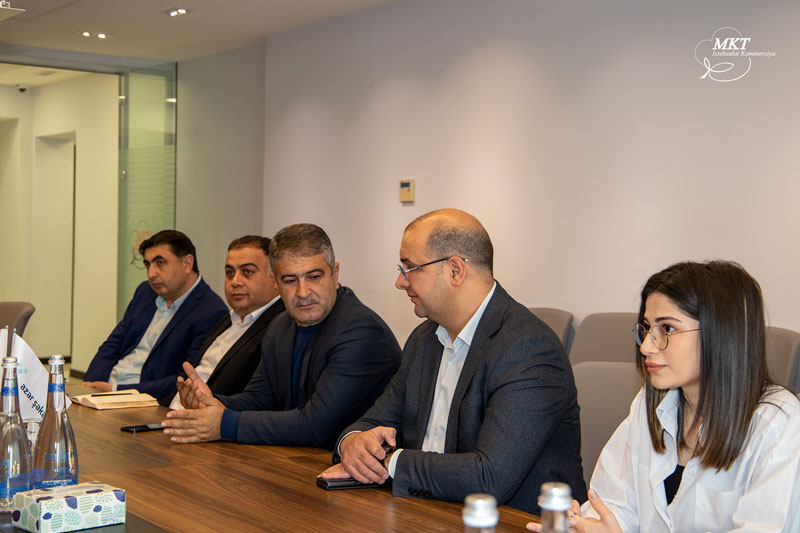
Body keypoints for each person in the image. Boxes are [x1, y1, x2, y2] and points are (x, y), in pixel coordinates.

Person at [319, 208, 586, 514]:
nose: (400, 282)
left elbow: (489, 478)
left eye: (410, 268)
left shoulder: (529, 348)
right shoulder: (424, 340)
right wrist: (352, 443)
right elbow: (372, 423)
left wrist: (391, 461)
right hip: (428, 511)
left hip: (511, 522)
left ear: (455, 270)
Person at [528, 261, 800, 532]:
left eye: (667, 329)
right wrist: (587, 525)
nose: (646, 347)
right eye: (646, 328)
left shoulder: (778, 424)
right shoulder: (652, 400)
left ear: (721, 334)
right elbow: (614, 503)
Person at [160, 223, 402, 449]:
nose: (303, 292)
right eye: (290, 280)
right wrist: (209, 402)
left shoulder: (361, 331)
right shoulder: (281, 324)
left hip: (353, 471)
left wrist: (223, 423)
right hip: (295, 460)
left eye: (314, 277)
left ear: (335, 273)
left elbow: (315, 426)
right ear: (275, 282)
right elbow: (260, 399)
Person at [82, 230, 227, 403]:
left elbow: (184, 380)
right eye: (148, 264)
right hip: (106, 392)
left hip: (143, 402)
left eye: (160, 263)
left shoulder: (211, 311)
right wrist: (90, 387)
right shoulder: (145, 292)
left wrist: (116, 391)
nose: (151, 273)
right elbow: (113, 344)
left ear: (187, 264)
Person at [167, 235, 285, 409]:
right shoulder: (227, 319)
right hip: (172, 412)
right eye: (230, 273)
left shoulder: (281, 327)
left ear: (275, 279)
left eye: (247, 272)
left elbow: (259, 402)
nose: (235, 282)